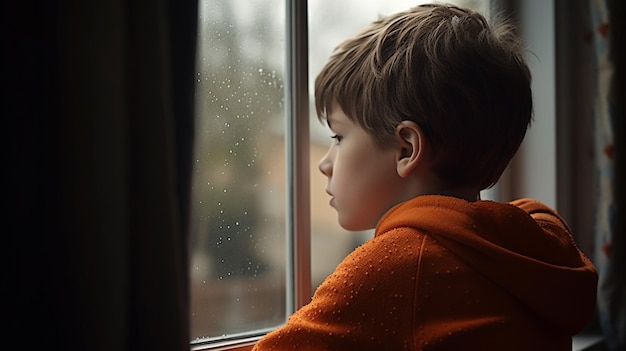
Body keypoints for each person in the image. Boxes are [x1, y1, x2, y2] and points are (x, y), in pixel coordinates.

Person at [252, 3, 598, 350]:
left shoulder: (398, 265)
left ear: (406, 149)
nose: (324, 163)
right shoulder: (533, 245)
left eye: (339, 138)